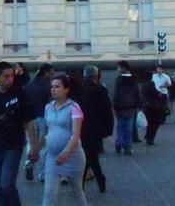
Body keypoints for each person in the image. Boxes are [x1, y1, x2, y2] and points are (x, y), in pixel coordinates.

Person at [0, 61, 37, 206]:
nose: (10, 79)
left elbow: (28, 122)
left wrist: (34, 146)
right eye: (6, 76)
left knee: (7, 184)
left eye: (12, 76)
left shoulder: (20, 93)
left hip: (13, 144)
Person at [38, 75, 88, 206]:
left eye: (57, 87)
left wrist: (66, 152)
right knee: (49, 194)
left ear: (66, 89)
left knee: (77, 191)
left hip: (72, 157)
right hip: (52, 157)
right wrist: (36, 149)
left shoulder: (74, 107)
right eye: (52, 87)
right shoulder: (48, 107)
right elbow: (44, 131)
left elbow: (75, 134)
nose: (53, 89)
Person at [77, 65, 112, 193]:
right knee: (91, 155)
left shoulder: (78, 89)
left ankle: (84, 182)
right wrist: (108, 128)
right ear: (96, 76)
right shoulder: (100, 89)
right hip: (95, 127)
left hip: (80, 126)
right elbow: (106, 110)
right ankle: (99, 179)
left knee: (88, 155)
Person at [23, 63, 54, 182]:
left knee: (30, 142)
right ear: (45, 73)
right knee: (44, 145)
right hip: (44, 117)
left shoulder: (28, 85)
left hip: (30, 118)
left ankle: (29, 163)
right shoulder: (49, 86)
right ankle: (43, 174)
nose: (52, 76)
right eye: (51, 73)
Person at [112, 60, 140, 154]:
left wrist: (114, 106)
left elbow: (116, 94)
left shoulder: (118, 80)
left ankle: (119, 142)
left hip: (120, 106)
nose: (117, 69)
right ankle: (127, 147)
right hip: (131, 106)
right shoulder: (134, 79)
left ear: (124, 68)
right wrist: (139, 104)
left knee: (120, 125)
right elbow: (137, 93)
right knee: (129, 126)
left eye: (118, 67)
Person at [142, 80, 167, 145]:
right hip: (156, 109)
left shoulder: (144, 90)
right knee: (154, 125)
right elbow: (160, 97)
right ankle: (151, 138)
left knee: (149, 124)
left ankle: (148, 136)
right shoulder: (156, 93)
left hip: (148, 109)